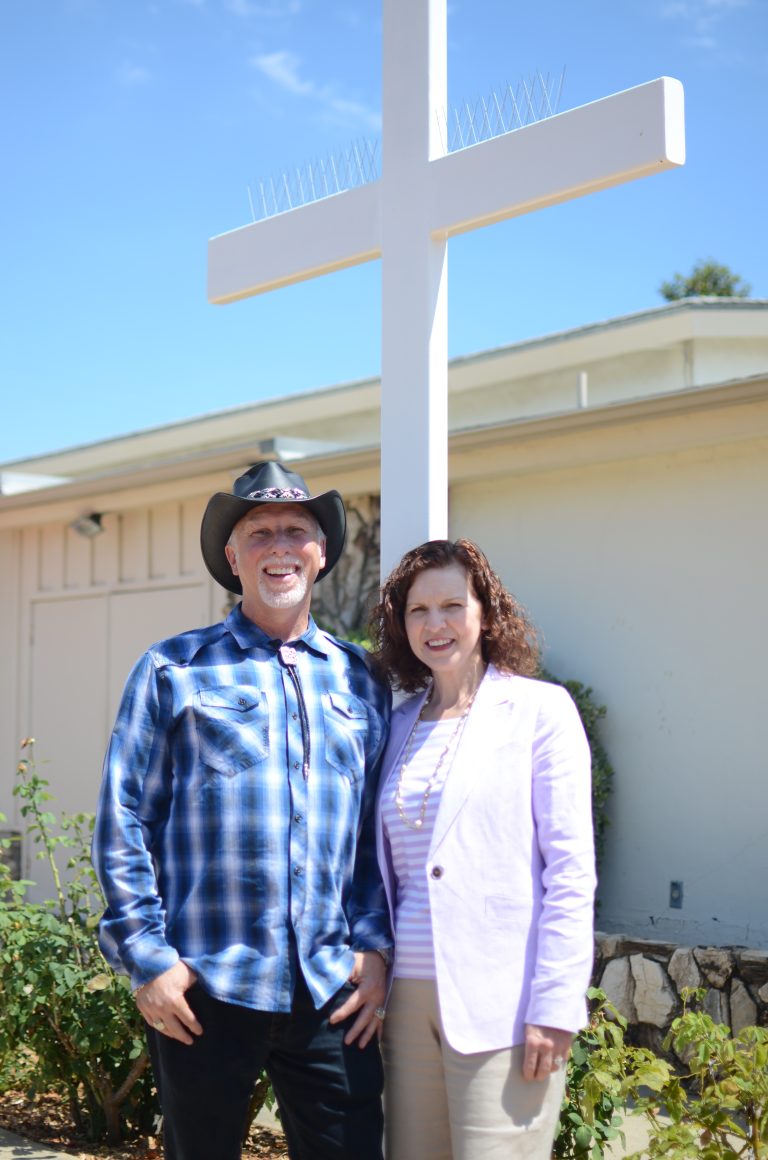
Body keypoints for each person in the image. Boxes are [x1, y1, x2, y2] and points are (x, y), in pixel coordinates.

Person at [92, 461, 393, 1160]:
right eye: (260, 533)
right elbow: (123, 817)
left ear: (321, 555)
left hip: (330, 992)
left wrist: (375, 947)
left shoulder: (361, 679)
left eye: (296, 531)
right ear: (232, 557)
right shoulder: (172, 670)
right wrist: (147, 960)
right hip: (206, 989)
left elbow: (375, 831)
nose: (279, 546)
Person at [369, 538, 596, 1160]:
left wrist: (555, 1004)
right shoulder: (395, 724)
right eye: (418, 611)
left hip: (503, 999)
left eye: (451, 605)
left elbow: (571, 872)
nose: (435, 624)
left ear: (486, 613)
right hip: (406, 1004)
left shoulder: (539, 711)